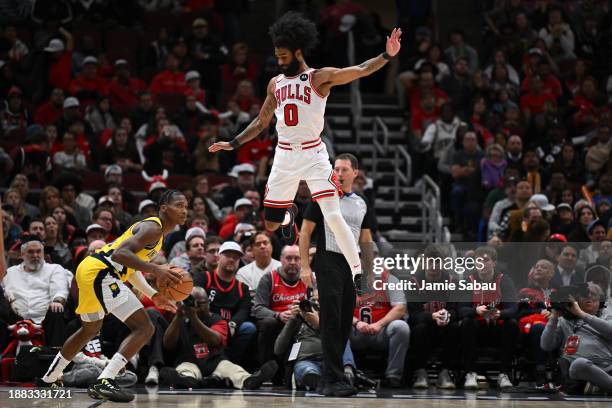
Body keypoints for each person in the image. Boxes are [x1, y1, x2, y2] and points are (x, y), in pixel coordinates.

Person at [209, 12, 400, 275]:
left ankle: (358, 271)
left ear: (298, 53)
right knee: (273, 225)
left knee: (333, 216)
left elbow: (360, 70)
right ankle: (289, 214)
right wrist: (233, 143)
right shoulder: (275, 84)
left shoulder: (318, 78)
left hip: (314, 155)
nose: (279, 61)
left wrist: (387, 55)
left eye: (283, 56)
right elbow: (261, 121)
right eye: (277, 56)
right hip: (285, 156)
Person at [37, 190, 186, 402]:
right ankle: (105, 381)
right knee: (144, 327)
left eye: (186, 206)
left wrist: (153, 295)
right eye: (179, 205)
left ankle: (48, 379)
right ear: (164, 208)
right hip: (101, 272)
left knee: (90, 329)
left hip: (92, 270)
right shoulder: (153, 228)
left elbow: (130, 268)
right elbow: (120, 255)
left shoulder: (157, 235)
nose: (184, 210)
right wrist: (157, 269)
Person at [299, 153, 375, 396]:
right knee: (331, 319)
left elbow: (366, 241)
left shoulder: (362, 202)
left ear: (355, 173)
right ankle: (335, 377)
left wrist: (369, 274)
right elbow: (304, 233)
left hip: (351, 266)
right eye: (336, 169)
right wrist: (304, 266)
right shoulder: (322, 197)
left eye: (344, 170)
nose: (339, 174)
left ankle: (328, 378)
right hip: (328, 260)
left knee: (343, 322)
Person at [162, 287, 278, 390]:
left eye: (201, 303)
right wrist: (177, 317)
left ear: (208, 303)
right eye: (193, 303)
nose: (196, 306)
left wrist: (194, 318)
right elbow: (168, 344)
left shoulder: (218, 319)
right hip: (189, 360)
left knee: (232, 370)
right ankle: (186, 381)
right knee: (186, 371)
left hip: (215, 362)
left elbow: (214, 340)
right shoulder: (179, 320)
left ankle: (249, 381)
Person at [540, 282, 612, 394]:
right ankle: (600, 386)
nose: (589, 297)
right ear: (576, 299)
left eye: (593, 294)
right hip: (578, 370)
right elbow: (546, 345)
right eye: (585, 295)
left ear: (600, 300)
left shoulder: (606, 316)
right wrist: (554, 317)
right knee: (579, 364)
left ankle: (598, 386)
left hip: (607, 368)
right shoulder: (564, 321)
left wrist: (581, 313)